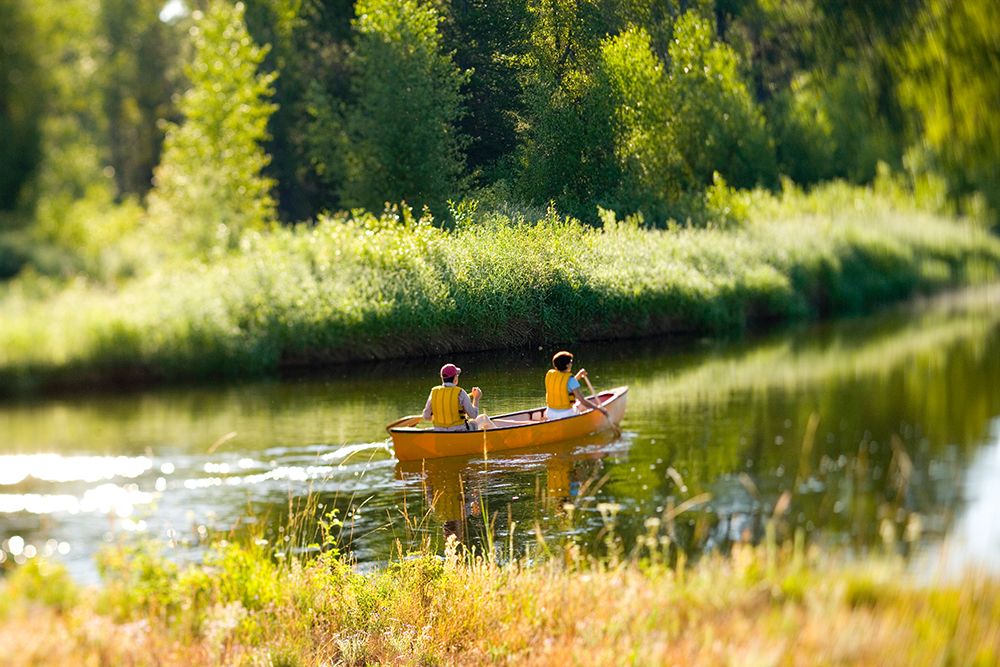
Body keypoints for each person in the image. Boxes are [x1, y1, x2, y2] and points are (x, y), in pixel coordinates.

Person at [422, 363, 491, 431]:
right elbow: (473, 415)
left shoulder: (434, 392)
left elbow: (426, 416)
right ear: (455, 378)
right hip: (460, 430)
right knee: (484, 418)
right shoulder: (460, 392)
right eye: (457, 375)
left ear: (442, 378)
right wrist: (476, 398)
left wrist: (442, 418)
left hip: (439, 431)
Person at [544, 350, 609, 420]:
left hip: (550, 413)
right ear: (567, 365)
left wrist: (578, 375)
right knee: (580, 405)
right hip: (566, 415)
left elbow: (564, 385)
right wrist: (599, 409)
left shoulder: (550, 375)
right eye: (571, 362)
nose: (571, 364)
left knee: (577, 405)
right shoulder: (571, 380)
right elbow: (582, 401)